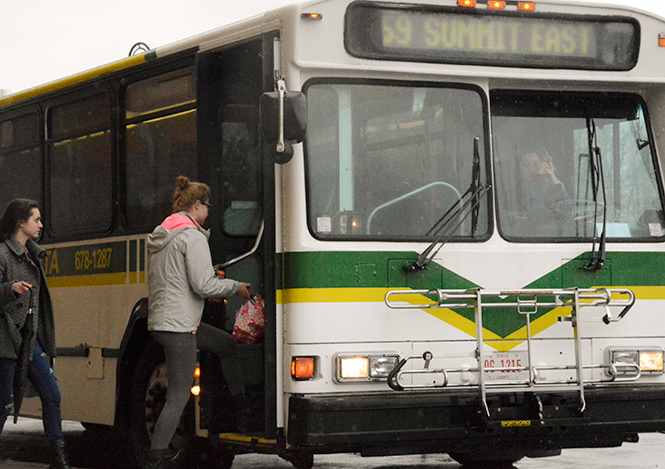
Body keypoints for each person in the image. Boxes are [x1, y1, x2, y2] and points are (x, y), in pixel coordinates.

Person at [145, 176, 251, 469]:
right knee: (178, 396)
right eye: (207, 206)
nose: (209, 212)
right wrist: (235, 286)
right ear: (196, 206)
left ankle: (241, 408)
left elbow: (182, 277)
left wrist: (213, 273)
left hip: (166, 321)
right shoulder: (192, 237)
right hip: (180, 326)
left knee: (226, 345)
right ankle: (154, 462)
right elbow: (203, 286)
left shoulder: (165, 233)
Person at [0, 199, 72, 469]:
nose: (41, 225)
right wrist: (10, 289)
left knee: (52, 394)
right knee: (4, 403)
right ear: (20, 223)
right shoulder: (2, 254)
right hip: (6, 340)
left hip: (29, 340)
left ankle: (59, 459)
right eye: (36, 220)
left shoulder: (33, 254)